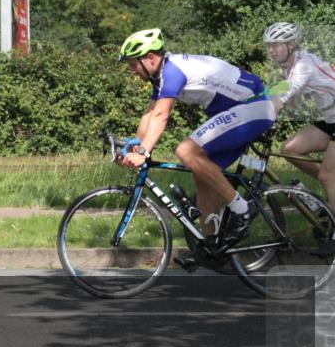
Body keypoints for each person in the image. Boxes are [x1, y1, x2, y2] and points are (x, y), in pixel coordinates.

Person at [115, 29, 276, 268]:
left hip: (252, 106)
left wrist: (142, 153)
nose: (131, 70)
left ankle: (242, 209)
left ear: (150, 58)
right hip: (237, 111)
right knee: (203, 175)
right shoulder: (162, 75)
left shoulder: (172, 72)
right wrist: (133, 147)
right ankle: (211, 247)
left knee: (186, 151)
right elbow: (150, 114)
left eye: (133, 64)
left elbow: (161, 116)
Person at [263, 22, 335, 204]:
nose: (271, 50)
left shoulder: (304, 65)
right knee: (291, 149)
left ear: (291, 44)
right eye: (268, 45)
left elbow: (285, 96)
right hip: (331, 119)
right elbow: (293, 103)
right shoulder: (289, 66)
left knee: (328, 175)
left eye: (276, 45)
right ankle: (329, 191)